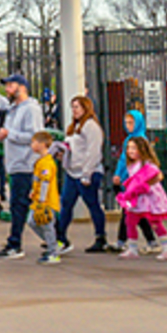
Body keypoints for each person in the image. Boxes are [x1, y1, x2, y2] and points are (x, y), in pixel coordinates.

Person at [0, 75, 46, 260]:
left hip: (26, 164)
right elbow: (14, 134)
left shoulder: (31, 109)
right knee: (27, 205)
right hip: (16, 164)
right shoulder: (13, 109)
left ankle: (15, 244)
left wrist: (9, 134)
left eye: (10, 85)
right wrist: (1, 135)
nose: (6, 89)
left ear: (22, 87)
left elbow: (35, 136)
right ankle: (59, 238)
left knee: (19, 205)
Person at [55, 95, 111, 254]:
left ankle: (101, 237)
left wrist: (87, 173)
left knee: (92, 204)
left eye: (77, 107)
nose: (74, 110)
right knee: (66, 204)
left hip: (87, 172)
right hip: (73, 172)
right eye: (72, 107)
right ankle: (61, 237)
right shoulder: (74, 126)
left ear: (85, 108)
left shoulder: (91, 126)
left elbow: (93, 151)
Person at [116, 136, 167, 260]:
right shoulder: (132, 165)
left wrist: (146, 185)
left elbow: (158, 176)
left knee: (155, 222)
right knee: (130, 221)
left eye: (133, 148)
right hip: (136, 197)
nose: (130, 151)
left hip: (148, 197)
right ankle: (132, 248)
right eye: (128, 148)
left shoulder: (147, 164)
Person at [27, 132, 64, 266]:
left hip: (46, 202)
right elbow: (37, 180)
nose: (32, 145)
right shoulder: (41, 161)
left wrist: (42, 200)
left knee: (47, 226)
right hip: (38, 200)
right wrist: (33, 192)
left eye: (34, 142)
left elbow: (45, 182)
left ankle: (53, 251)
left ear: (42, 144)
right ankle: (52, 244)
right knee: (32, 221)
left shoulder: (47, 163)